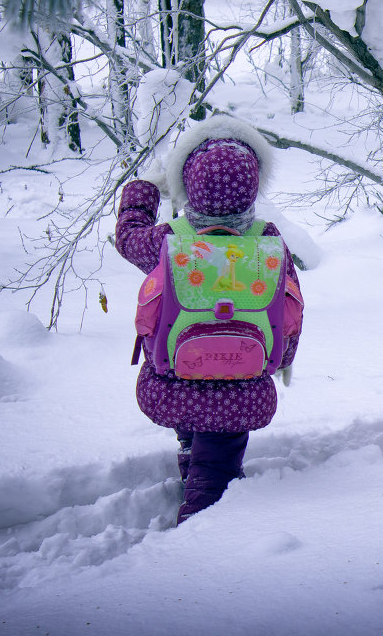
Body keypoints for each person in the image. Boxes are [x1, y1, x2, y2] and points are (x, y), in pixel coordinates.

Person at [116, 115, 302, 523]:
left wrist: (146, 187)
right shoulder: (268, 241)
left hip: (171, 384)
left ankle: (190, 453)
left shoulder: (168, 239)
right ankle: (203, 520)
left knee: (195, 416)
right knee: (218, 464)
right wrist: (284, 358)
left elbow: (127, 236)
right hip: (242, 386)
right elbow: (290, 310)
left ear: (187, 186)